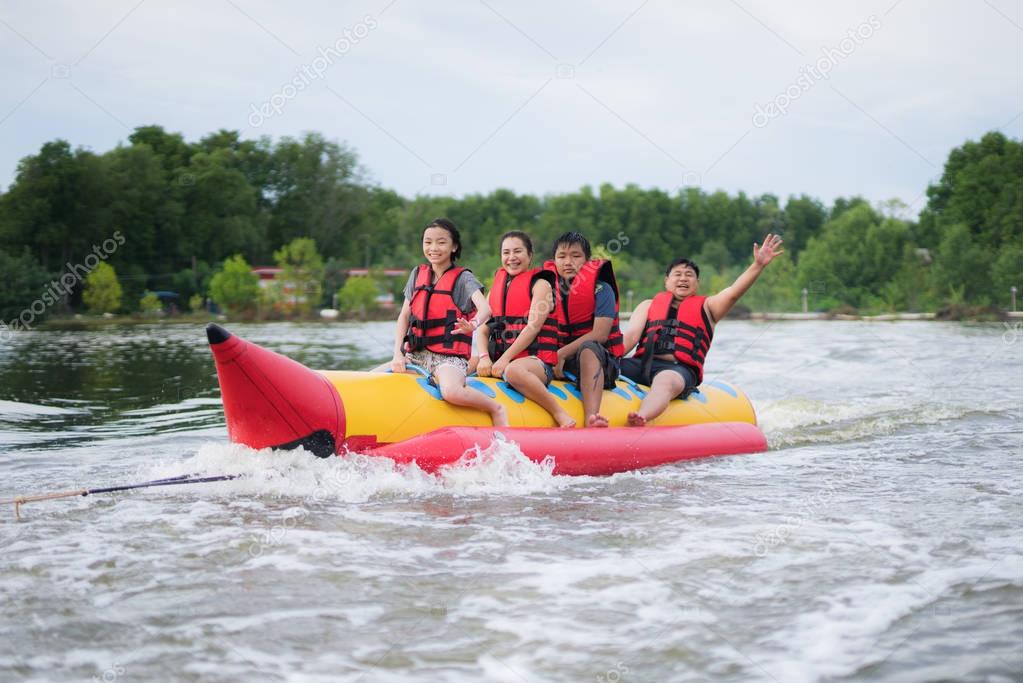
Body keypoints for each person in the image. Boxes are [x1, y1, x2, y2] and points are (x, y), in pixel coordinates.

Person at [621, 233, 785, 426]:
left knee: (664, 382)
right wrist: (605, 359)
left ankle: (642, 417)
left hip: (677, 370)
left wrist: (758, 265)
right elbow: (630, 337)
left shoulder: (709, 307)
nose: (683, 278)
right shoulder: (648, 305)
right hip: (641, 364)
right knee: (601, 366)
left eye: (689, 275)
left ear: (697, 284)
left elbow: (733, 293)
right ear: (666, 281)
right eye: (678, 274)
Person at [385, 218, 508, 426]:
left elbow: (486, 309)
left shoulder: (463, 279)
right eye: (428, 242)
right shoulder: (417, 275)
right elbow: (404, 317)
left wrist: (474, 324)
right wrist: (398, 353)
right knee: (374, 378)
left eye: (441, 242)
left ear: (454, 247)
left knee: (451, 392)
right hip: (415, 356)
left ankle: (496, 408)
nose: (433, 248)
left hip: (448, 359)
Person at [476, 231, 574, 428]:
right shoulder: (497, 286)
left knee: (514, 370)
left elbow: (532, 328)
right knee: (462, 365)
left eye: (518, 251)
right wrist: (484, 356)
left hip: (536, 363)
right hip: (499, 360)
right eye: (506, 253)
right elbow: (483, 329)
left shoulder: (541, 285)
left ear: (530, 256)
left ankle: (559, 413)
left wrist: (504, 359)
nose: (511, 258)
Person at [545, 232, 625, 428]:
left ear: (587, 260)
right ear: (554, 260)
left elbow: (600, 334)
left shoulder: (602, 289)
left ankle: (592, 417)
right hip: (559, 360)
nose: (568, 262)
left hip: (600, 360)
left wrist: (560, 354)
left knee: (589, 347)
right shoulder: (546, 290)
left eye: (576, 256)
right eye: (562, 256)